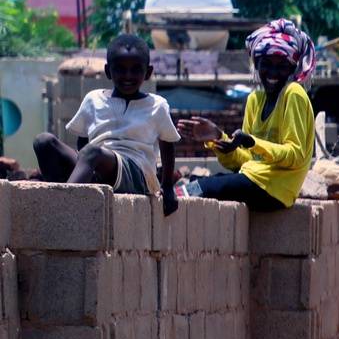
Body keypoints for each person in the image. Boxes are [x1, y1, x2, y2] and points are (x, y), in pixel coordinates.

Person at [177, 18, 317, 211]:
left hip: (277, 190)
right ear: (257, 65)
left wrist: (253, 142)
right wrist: (220, 139)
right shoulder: (255, 99)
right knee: (200, 182)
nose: (273, 72)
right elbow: (247, 162)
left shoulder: (293, 93)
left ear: (292, 69)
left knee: (201, 188)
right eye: (266, 64)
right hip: (254, 179)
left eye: (282, 66)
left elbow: (296, 155)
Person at [34, 34, 182, 215]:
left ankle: (61, 210)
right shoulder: (93, 99)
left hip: (136, 174)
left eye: (136, 70)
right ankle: (68, 193)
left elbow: (168, 146)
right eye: (120, 69)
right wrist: (87, 168)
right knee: (43, 142)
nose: (128, 76)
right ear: (108, 71)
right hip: (98, 165)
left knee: (91, 151)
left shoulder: (157, 105)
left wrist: (167, 187)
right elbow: (82, 142)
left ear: (148, 72)